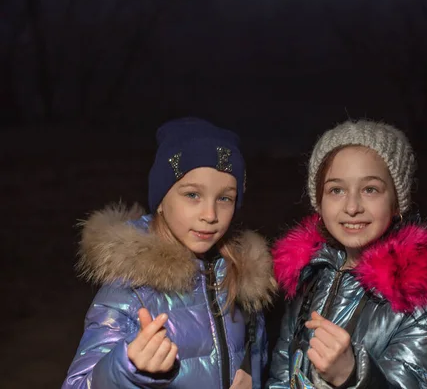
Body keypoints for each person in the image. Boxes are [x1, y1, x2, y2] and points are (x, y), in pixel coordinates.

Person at [62, 117, 277, 389]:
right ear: (161, 201)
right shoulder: (129, 289)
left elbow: (255, 361)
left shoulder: (242, 277)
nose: (210, 215)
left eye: (225, 198)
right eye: (192, 195)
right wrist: (127, 369)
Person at [266, 119, 427, 388]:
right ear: (319, 202)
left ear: (397, 202)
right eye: (336, 190)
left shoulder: (421, 298)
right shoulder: (309, 275)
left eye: (370, 189)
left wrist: (353, 376)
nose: (352, 207)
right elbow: (282, 374)